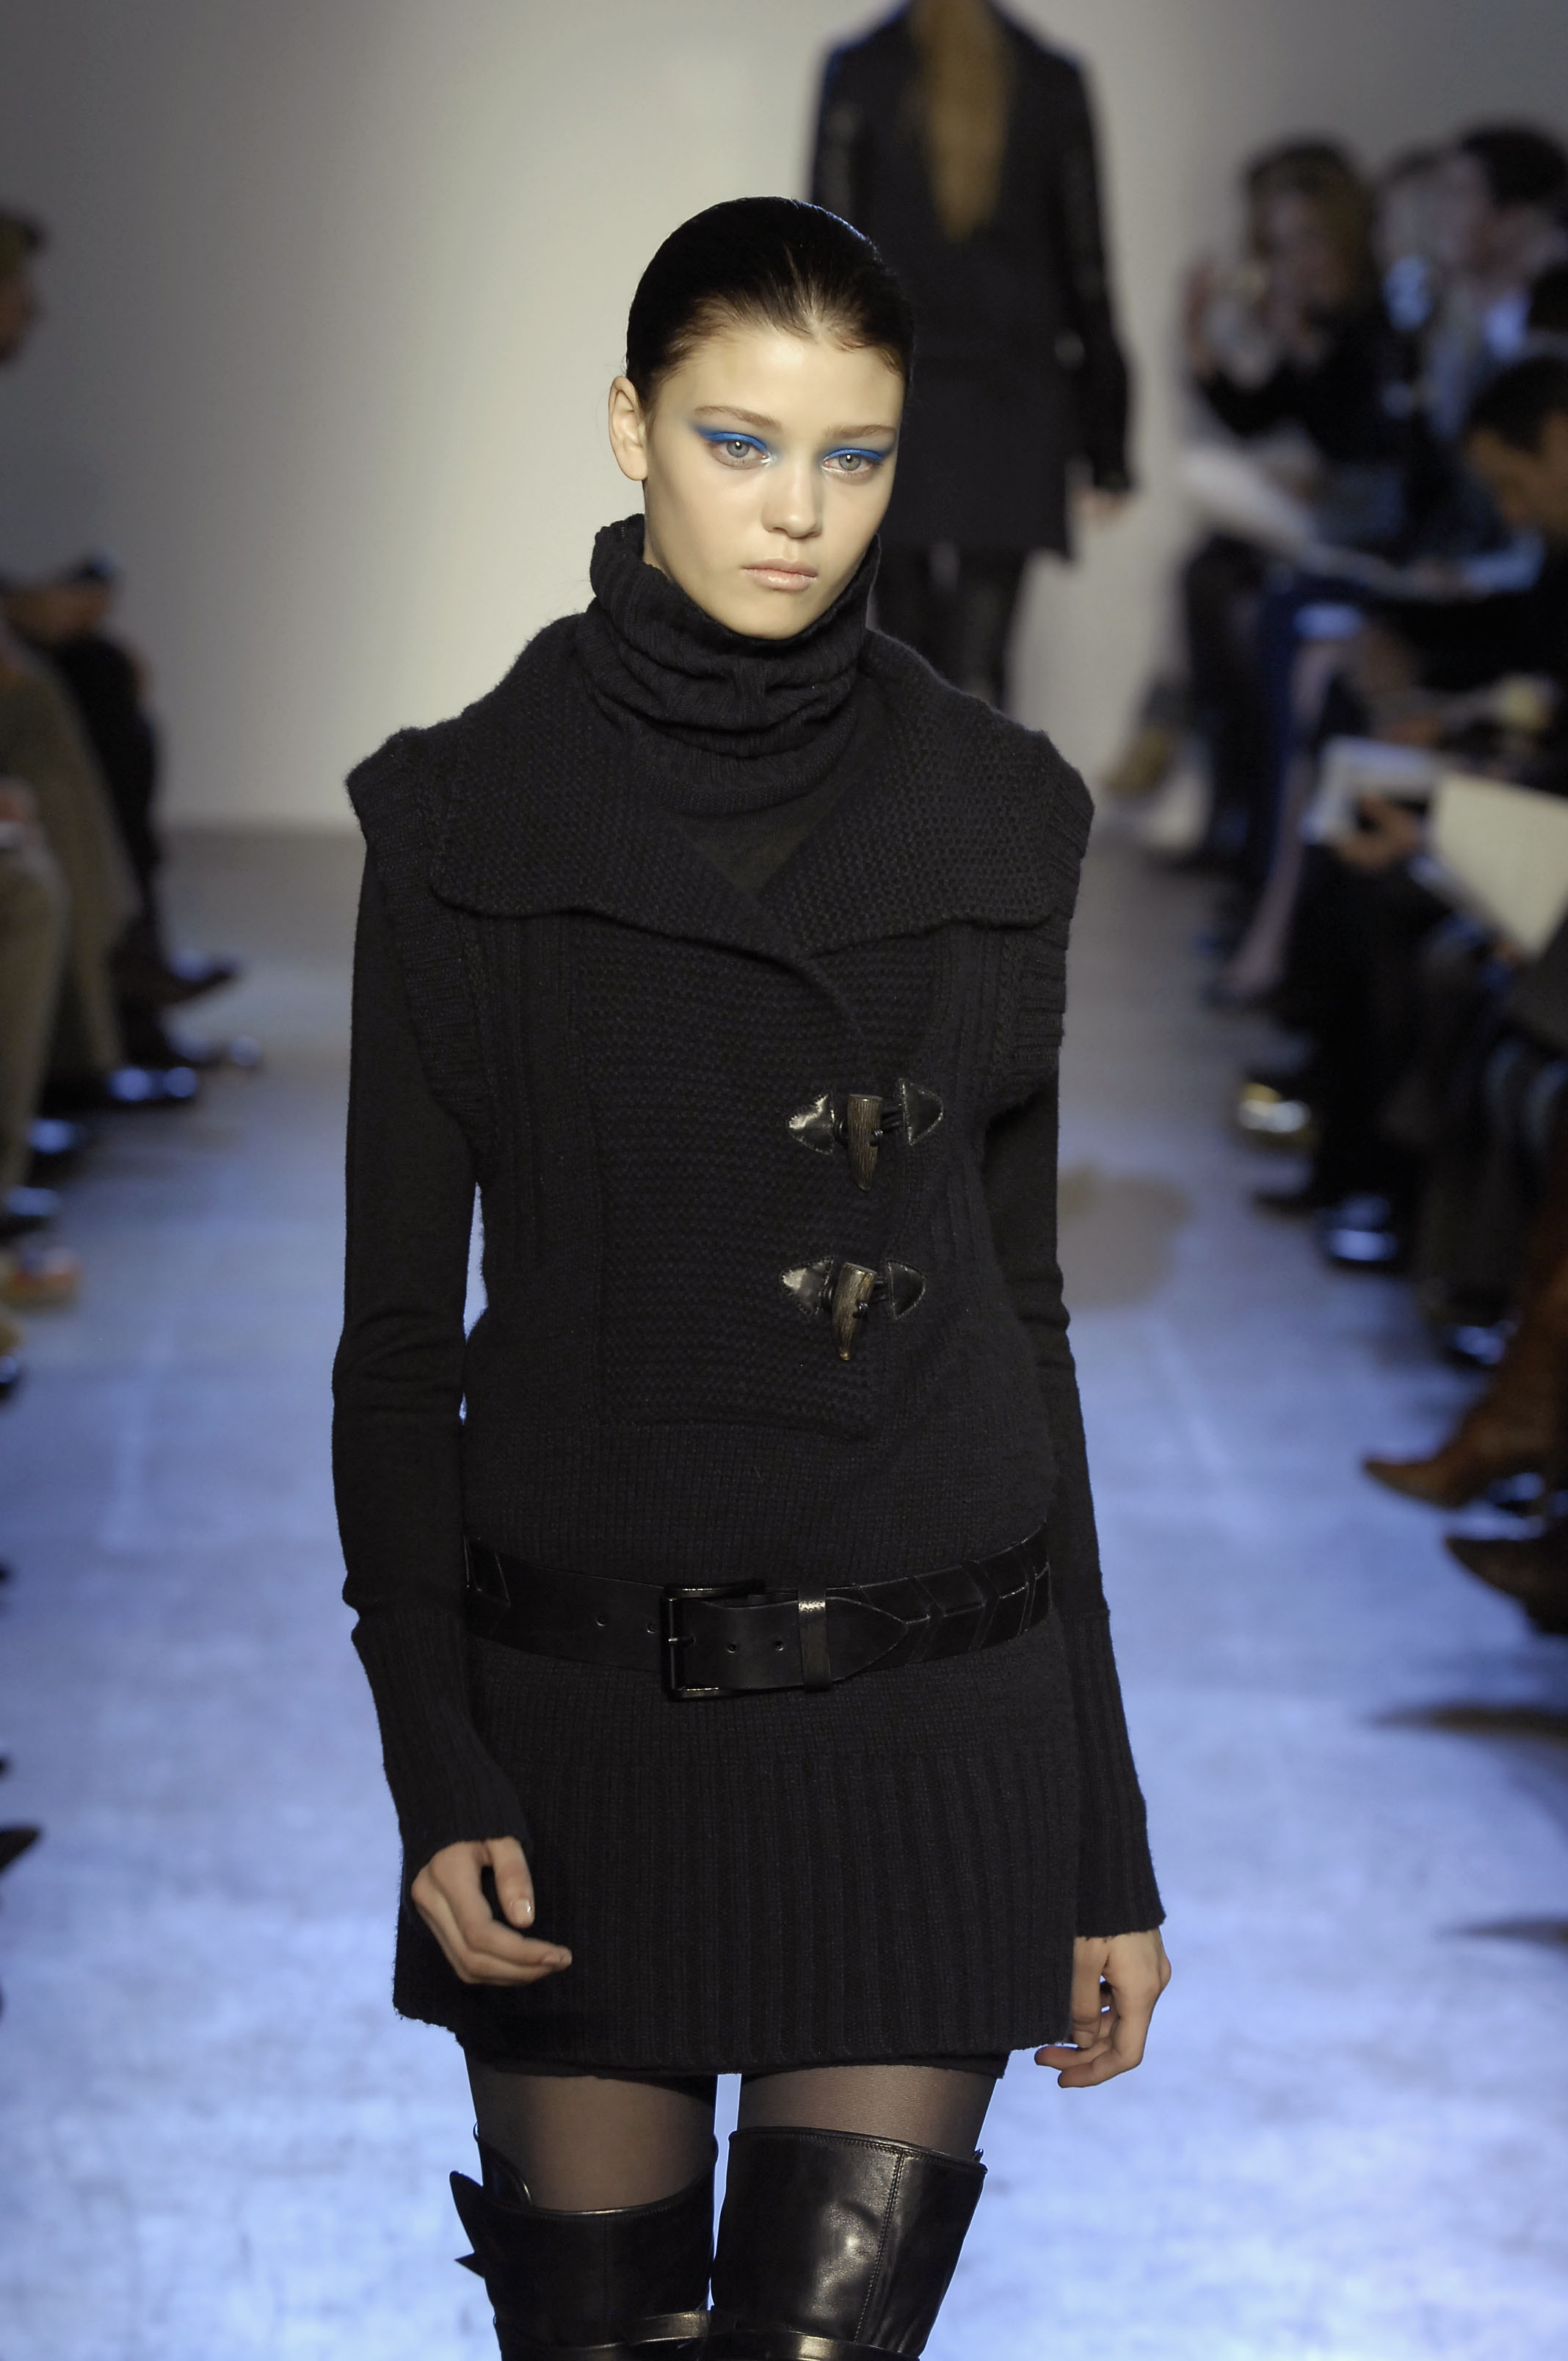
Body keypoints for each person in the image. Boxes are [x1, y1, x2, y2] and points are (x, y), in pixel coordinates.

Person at [334, 197, 1167, 2360]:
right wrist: (436, 1761)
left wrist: (1103, 1838)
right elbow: (396, 1348)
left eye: (854, 455)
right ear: (630, 427)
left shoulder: (997, 817)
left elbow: (1022, 1315)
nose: (799, 511)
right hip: (587, 1732)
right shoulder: (461, 826)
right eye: (739, 442)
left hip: (929, 1723)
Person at [810, 0, 1132, 707]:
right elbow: (1087, 271)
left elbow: (829, 268)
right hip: (1015, 403)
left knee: (900, 654)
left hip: (892, 399)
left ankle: (914, 786)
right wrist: (1106, 444)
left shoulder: (860, 73)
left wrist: (813, 424)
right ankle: (979, 785)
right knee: (981, 662)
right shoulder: (1049, 80)